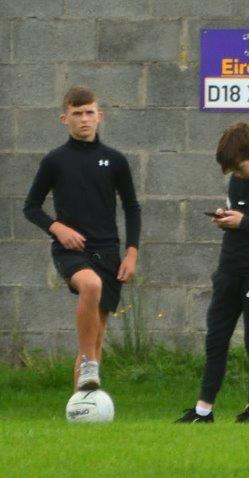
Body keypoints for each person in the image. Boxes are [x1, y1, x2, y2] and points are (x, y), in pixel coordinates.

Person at [23, 86, 141, 392]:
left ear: (100, 116)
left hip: (108, 252)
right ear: (65, 119)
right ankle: (90, 364)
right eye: (77, 114)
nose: (84, 119)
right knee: (91, 285)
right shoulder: (54, 161)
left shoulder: (115, 160)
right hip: (71, 250)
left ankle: (81, 403)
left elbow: (132, 207)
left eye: (90, 112)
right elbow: (31, 207)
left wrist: (131, 253)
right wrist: (57, 228)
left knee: (97, 335)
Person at [176, 123, 249, 424]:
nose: (236, 176)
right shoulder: (237, 182)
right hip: (228, 268)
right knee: (216, 337)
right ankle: (203, 410)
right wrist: (226, 219)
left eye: (238, 169)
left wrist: (244, 223)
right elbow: (238, 218)